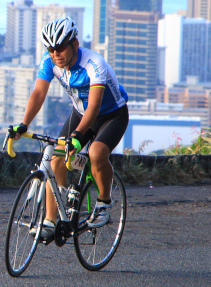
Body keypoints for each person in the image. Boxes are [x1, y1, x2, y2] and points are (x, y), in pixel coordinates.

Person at [10, 16, 128, 243]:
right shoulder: (49, 61)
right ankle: (51, 221)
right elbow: (38, 93)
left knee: (96, 153)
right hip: (80, 113)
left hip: (111, 114)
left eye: (61, 48)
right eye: (51, 49)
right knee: (55, 157)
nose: (56, 54)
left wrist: (77, 136)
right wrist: (24, 124)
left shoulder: (94, 64)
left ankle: (104, 202)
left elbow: (94, 106)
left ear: (74, 44)